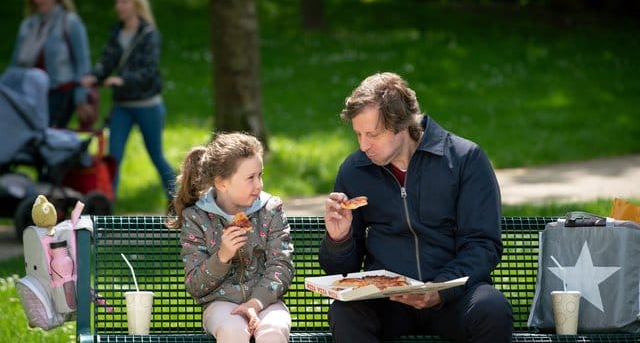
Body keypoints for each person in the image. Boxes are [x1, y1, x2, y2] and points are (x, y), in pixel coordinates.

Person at [319, 72, 513, 343]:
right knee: (345, 312)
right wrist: (338, 240)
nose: (363, 146)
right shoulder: (354, 171)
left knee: (491, 308)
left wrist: (439, 290)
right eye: (358, 134)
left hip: (453, 298)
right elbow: (340, 272)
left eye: (372, 134)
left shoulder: (464, 160)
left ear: (401, 124)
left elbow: (483, 244)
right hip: (386, 301)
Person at [166, 132, 294, 343]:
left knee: (273, 329)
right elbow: (195, 285)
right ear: (222, 183)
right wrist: (222, 257)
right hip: (221, 303)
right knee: (233, 330)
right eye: (250, 178)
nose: (259, 185)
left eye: (260, 175)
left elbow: (282, 266)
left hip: (266, 301)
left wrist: (256, 302)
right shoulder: (197, 218)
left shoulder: (270, 209)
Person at [81, 0, 174, 202]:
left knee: (156, 154)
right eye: (118, 2)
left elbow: (149, 71)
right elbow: (107, 61)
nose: (119, 6)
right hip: (122, 105)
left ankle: (178, 199)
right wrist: (94, 76)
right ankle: (106, 206)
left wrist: (123, 80)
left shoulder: (149, 34)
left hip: (147, 105)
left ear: (137, 4)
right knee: (113, 157)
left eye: (125, 2)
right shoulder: (117, 32)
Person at [10, 0, 94, 128]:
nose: (38, 0)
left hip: (60, 91)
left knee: (49, 134)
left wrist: (81, 97)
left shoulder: (69, 22)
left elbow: (83, 62)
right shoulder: (28, 25)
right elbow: (16, 63)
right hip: (31, 93)